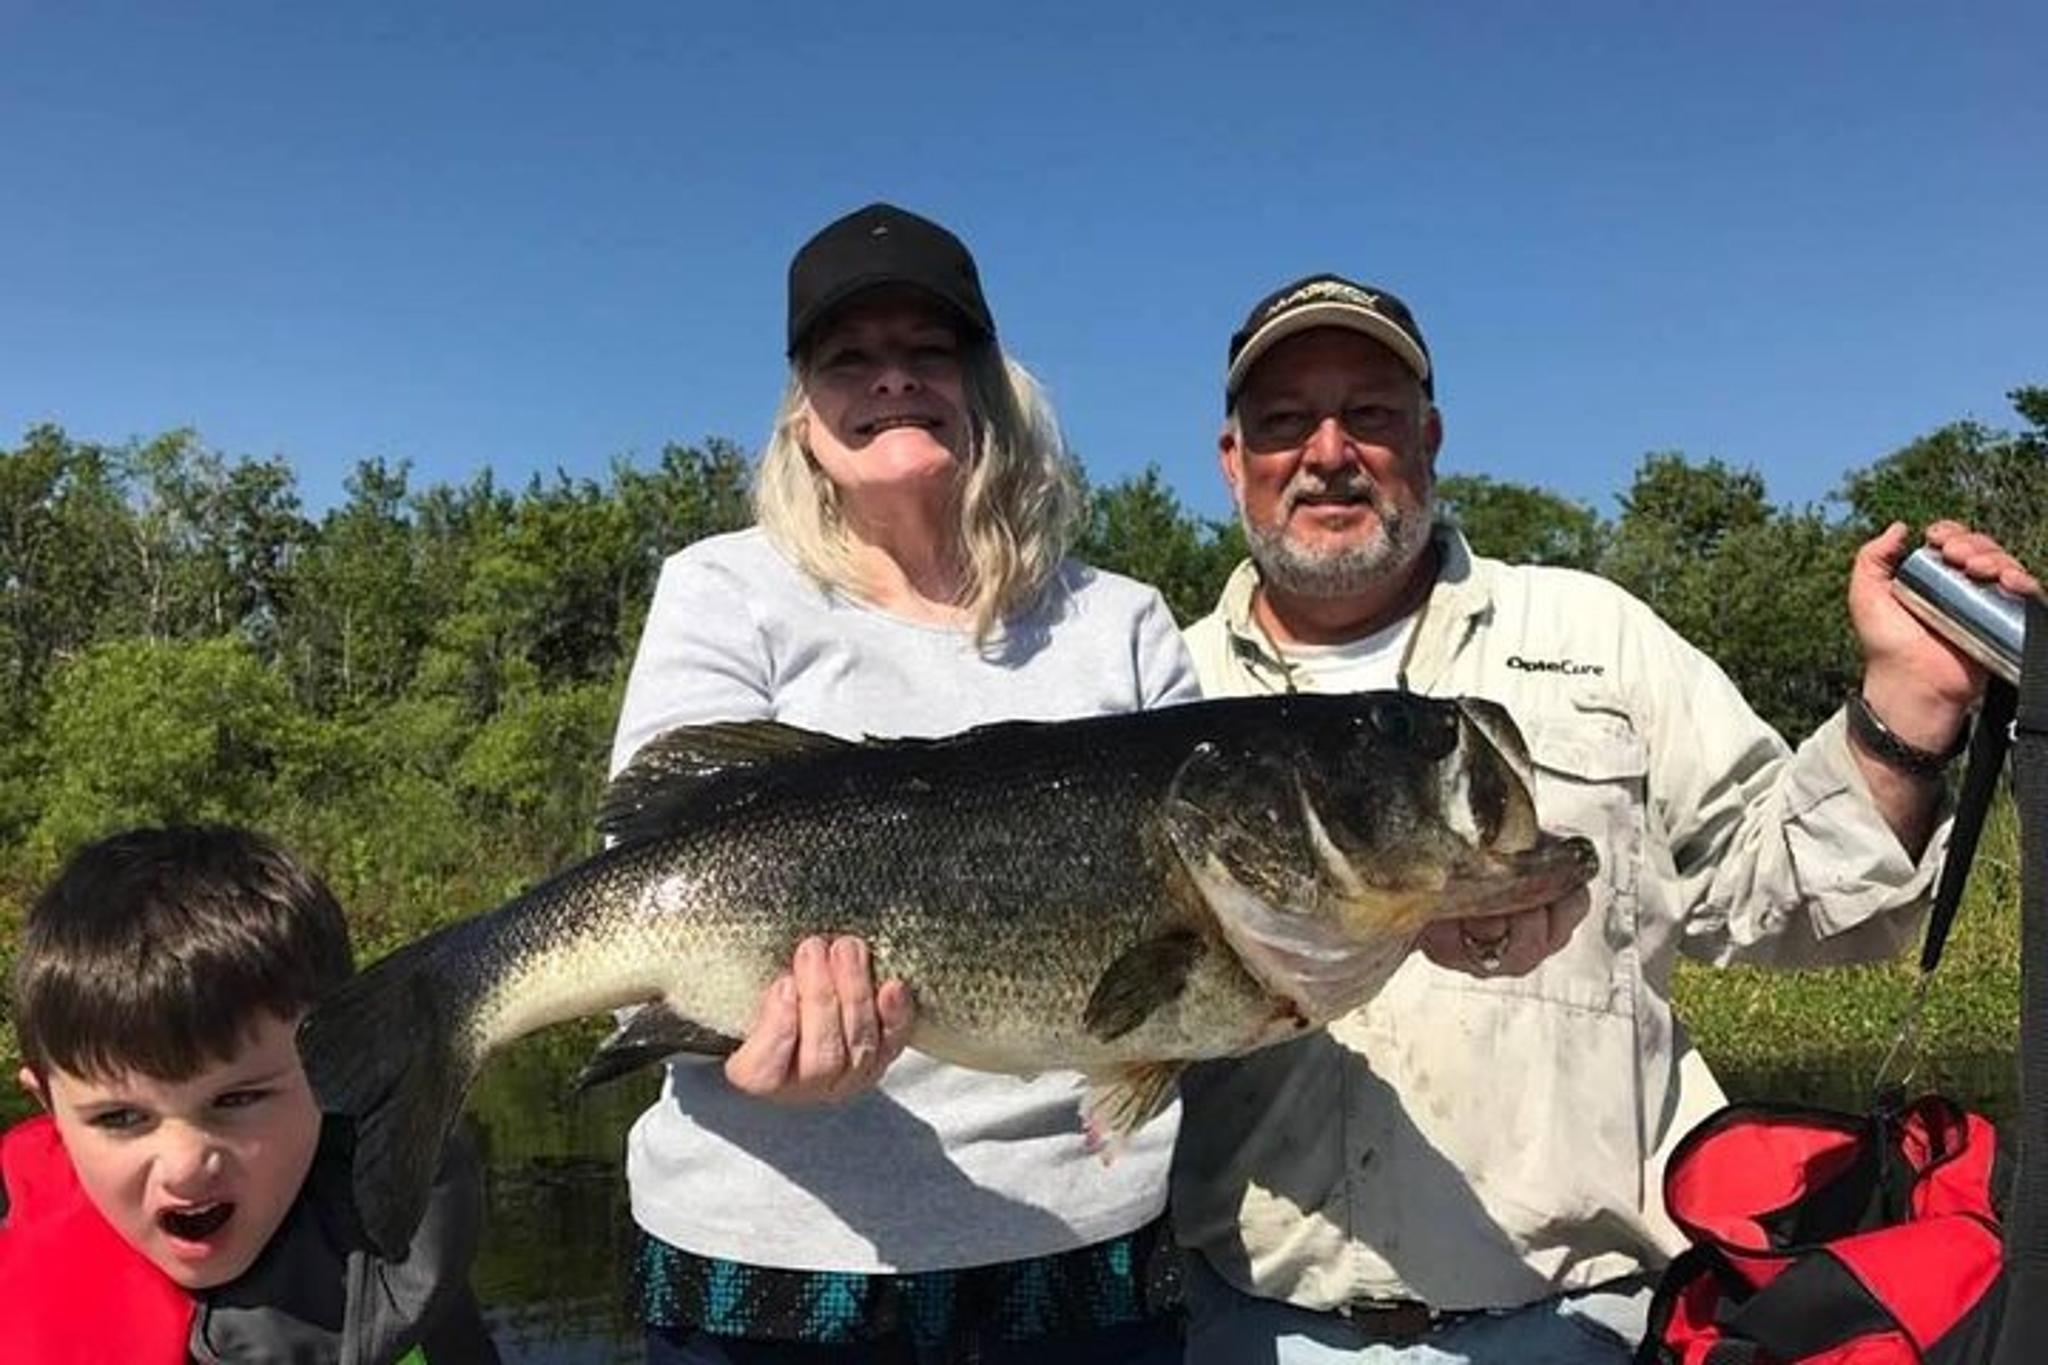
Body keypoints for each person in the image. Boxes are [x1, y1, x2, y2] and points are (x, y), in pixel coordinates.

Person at [1167, 272, 2040, 1364]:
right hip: (1252, 1332)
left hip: (1590, 1324)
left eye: (1372, 415)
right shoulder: (1162, 690)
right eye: (1283, 421)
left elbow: (1789, 898)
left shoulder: (1594, 633)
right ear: (1230, 460)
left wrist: (1905, 714)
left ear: (1428, 439)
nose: (1328, 450)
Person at [608, 202, 1200, 1364]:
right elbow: (649, 855)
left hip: (1081, 1260)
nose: (892, 381)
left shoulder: (1122, 623)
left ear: (985, 381)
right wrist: (746, 1035)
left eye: (928, 353)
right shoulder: (723, 589)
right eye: (850, 360)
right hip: (769, 1262)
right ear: (802, 411)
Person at [0, 825, 499, 1364]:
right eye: (121, 1118)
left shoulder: (392, 1270)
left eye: (237, 1100)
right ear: (48, 1104)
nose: (185, 1167)